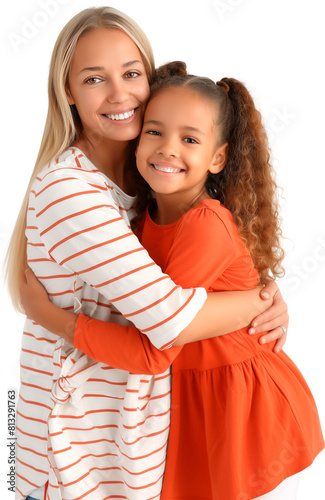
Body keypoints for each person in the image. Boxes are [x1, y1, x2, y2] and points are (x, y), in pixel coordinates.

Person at [6, 7, 289, 500]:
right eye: (94, 78)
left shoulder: (147, 183)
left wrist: (256, 294)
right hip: (74, 456)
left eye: (132, 74)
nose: (119, 94)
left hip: (130, 448)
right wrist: (256, 301)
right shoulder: (71, 191)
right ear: (68, 93)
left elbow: (199, 285)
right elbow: (171, 320)